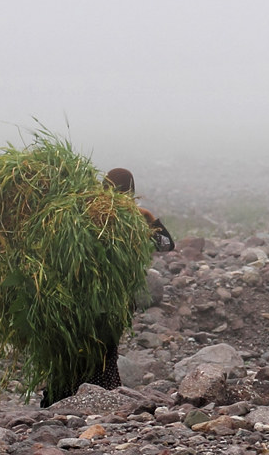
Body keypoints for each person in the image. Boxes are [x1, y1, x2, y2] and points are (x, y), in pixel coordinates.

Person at [41, 167, 174, 405]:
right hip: (114, 300)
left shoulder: (85, 212)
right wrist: (151, 219)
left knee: (73, 346)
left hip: (77, 297)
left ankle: (61, 397)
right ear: (131, 188)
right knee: (105, 350)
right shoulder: (136, 218)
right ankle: (102, 396)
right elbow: (166, 244)